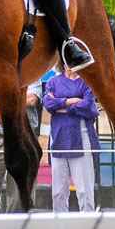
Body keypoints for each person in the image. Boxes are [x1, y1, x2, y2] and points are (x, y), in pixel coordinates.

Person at [0, 80, 42, 213]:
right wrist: (17, 97)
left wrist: (1, 96)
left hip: (23, 140)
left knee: (21, 193)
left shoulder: (31, 71)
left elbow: (31, 99)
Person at [43, 64, 100, 212]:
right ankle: (60, 224)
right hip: (58, 138)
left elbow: (87, 105)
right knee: (58, 192)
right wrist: (70, 101)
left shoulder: (88, 82)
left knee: (84, 190)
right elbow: (48, 104)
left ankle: (88, 224)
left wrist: (61, 107)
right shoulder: (52, 82)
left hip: (81, 138)